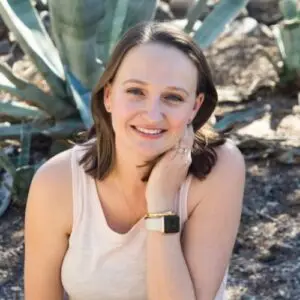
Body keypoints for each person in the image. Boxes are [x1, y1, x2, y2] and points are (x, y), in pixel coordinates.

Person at [24, 21, 245, 300]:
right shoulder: (56, 183)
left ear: (195, 107)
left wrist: (161, 203)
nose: (152, 115)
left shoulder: (219, 169)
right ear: (108, 96)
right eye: (136, 92)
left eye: (173, 97)